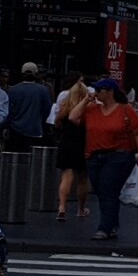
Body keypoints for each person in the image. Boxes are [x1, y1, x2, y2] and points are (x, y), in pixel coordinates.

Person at [70, 78, 138, 241]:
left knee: (108, 189)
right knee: (104, 192)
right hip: (95, 155)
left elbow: (137, 132)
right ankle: (112, 224)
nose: (95, 93)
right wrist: (85, 100)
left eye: (99, 90)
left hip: (119, 155)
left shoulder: (126, 110)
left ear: (110, 92)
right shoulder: (92, 109)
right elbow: (73, 117)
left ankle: (104, 227)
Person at [54, 74, 90, 221]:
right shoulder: (88, 110)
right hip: (83, 143)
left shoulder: (65, 107)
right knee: (82, 178)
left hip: (66, 143)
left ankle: (62, 207)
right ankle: (81, 208)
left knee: (66, 176)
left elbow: (57, 123)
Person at [5, 62, 52, 152]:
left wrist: (6, 127)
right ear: (36, 74)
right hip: (35, 131)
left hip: (15, 131)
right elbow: (47, 111)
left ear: (22, 74)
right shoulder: (43, 90)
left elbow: (9, 111)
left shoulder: (13, 90)